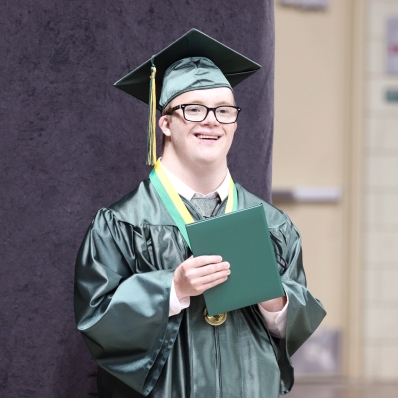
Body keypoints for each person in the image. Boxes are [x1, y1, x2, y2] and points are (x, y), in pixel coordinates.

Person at [74, 29, 326, 398]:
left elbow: (293, 333)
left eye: (224, 111)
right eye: (193, 109)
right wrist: (171, 289)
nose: (212, 121)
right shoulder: (121, 223)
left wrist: (277, 301)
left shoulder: (272, 224)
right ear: (165, 123)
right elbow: (97, 322)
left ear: (235, 124)